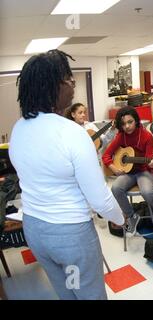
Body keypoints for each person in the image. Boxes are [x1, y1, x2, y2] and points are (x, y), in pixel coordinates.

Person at [9, 49, 124, 300]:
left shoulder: (18, 128)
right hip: (70, 235)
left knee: (66, 292)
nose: (73, 87)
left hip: (35, 230)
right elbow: (99, 198)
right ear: (55, 85)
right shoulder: (71, 133)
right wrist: (121, 217)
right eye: (70, 81)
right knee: (90, 295)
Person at [102, 106, 153, 235]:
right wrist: (114, 168)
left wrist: (152, 164)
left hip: (145, 171)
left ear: (136, 121)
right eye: (123, 124)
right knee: (116, 188)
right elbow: (105, 155)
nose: (127, 126)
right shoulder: (120, 136)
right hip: (128, 173)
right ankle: (132, 216)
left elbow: (150, 160)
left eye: (130, 122)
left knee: (147, 191)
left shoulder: (146, 136)